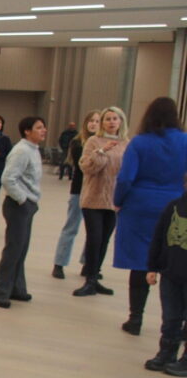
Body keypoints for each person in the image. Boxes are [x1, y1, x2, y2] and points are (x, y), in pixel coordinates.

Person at [114, 97, 187, 336]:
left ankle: (135, 318)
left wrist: (118, 200)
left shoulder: (139, 142)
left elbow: (126, 178)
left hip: (140, 206)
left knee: (140, 261)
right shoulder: (185, 141)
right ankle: (177, 324)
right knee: (176, 261)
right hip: (177, 207)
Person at [0, 116, 47, 308]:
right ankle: (0, 292)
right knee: (13, 250)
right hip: (18, 205)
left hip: (28, 204)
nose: (43, 130)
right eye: (39, 127)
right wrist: (22, 199)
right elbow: (8, 179)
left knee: (21, 249)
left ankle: (17, 288)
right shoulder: (22, 151)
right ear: (27, 131)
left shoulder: (33, 149)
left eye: (43, 127)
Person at [73, 106, 129, 297]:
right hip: (93, 199)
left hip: (114, 201)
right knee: (94, 238)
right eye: (108, 119)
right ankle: (89, 279)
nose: (111, 122)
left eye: (115, 119)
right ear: (102, 123)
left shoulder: (126, 144)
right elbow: (86, 167)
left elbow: (127, 171)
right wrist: (102, 151)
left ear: (121, 122)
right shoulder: (93, 141)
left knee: (104, 240)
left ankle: (95, 277)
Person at [143, 174, 187, 374]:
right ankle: (167, 352)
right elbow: (159, 237)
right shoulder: (173, 207)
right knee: (170, 317)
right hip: (170, 273)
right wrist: (152, 267)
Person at [52, 110, 101, 279]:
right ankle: (59, 263)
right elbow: (84, 166)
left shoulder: (105, 143)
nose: (94, 124)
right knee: (71, 227)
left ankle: (88, 264)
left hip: (97, 192)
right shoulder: (78, 142)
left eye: (97, 121)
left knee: (94, 231)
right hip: (79, 191)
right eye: (91, 120)